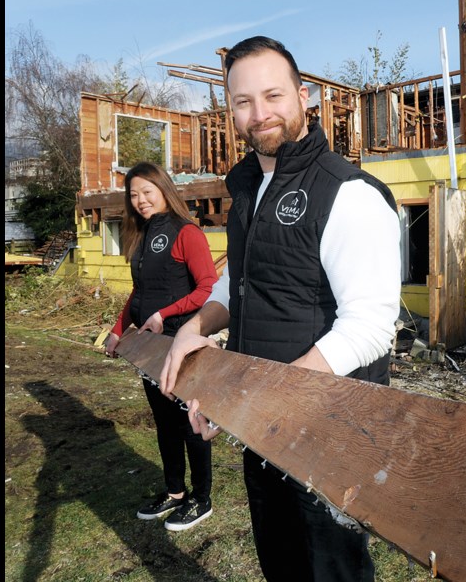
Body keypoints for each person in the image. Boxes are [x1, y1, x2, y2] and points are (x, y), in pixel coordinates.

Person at [159, 36, 401, 581]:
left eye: (273, 95)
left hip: (331, 433)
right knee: (282, 565)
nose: (259, 113)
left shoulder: (350, 194)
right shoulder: (247, 186)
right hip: (264, 432)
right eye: (243, 101)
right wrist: (193, 328)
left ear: (304, 96)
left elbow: (369, 327)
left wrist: (259, 398)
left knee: (332, 572)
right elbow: (238, 286)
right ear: (229, 109)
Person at [104, 161, 218, 532]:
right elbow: (140, 293)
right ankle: (175, 493)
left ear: (164, 189)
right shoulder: (141, 235)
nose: (140, 201)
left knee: (189, 423)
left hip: (182, 342)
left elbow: (207, 288)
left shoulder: (187, 233)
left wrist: (164, 313)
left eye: (147, 192)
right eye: (134, 195)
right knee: (164, 424)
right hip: (150, 347)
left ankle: (202, 499)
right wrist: (119, 330)